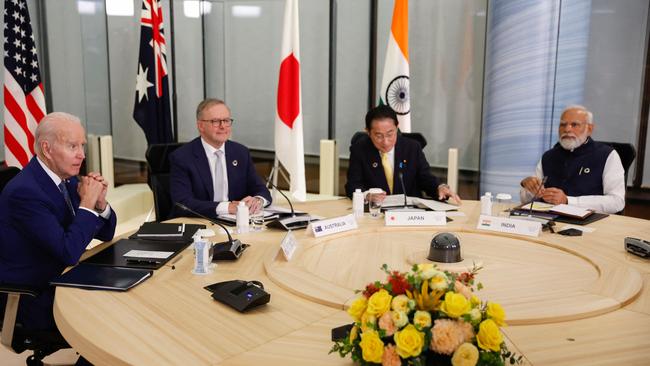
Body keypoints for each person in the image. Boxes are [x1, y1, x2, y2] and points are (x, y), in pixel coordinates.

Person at [0, 112, 117, 332]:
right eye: (73, 147)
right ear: (47, 149)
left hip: (63, 276)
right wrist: (87, 203)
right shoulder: (25, 192)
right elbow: (68, 252)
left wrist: (99, 204)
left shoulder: (65, 177)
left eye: (82, 146)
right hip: (35, 294)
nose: (82, 155)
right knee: (111, 322)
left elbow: (107, 233)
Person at [170, 98, 271, 218]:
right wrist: (227, 207)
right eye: (216, 121)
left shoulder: (240, 153)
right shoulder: (182, 157)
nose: (223, 126)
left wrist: (257, 201)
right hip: (199, 223)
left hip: (235, 223)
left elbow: (261, 189)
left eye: (227, 120)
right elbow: (182, 203)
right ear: (200, 126)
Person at [520, 105, 625, 213]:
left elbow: (617, 201)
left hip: (592, 223)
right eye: (563, 124)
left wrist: (568, 201)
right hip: (548, 220)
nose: (567, 129)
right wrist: (528, 187)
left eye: (574, 125)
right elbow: (527, 200)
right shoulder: (549, 156)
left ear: (589, 129)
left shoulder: (607, 155)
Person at [345, 105, 461, 203]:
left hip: (409, 214)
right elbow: (353, 185)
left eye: (390, 134)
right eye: (379, 136)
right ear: (368, 132)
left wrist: (439, 188)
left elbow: (425, 178)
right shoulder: (359, 150)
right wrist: (367, 196)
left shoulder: (412, 148)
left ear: (397, 127)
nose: (385, 142)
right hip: (376, 213)